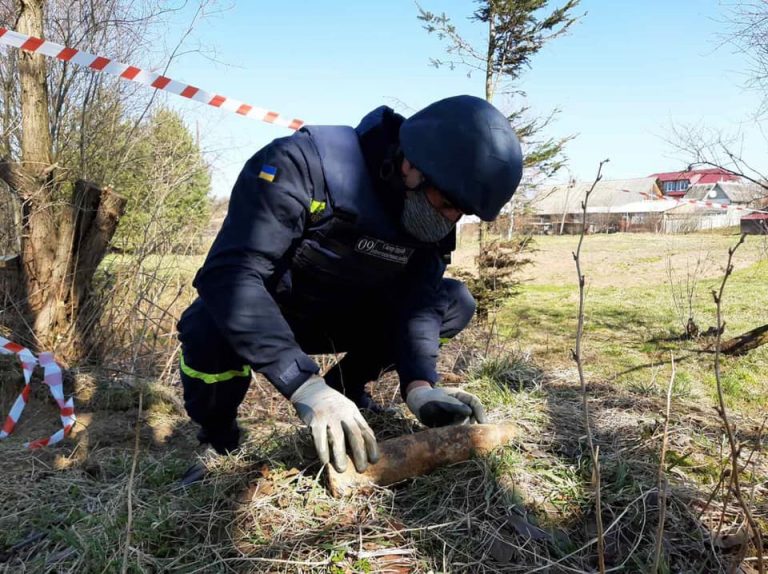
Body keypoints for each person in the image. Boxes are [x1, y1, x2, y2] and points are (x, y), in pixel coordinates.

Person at [177, 94, 523, 475]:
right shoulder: (302, 164)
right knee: (208, 323)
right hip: (273, 311)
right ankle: (218, 439)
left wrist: (419, 383)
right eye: (447, 203)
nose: (450, 218)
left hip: (345, 314)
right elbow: (231, 275)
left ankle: (347, 390)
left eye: (463, 212)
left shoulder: (435, 213)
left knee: (455, 300)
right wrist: (302, 385)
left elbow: (418, 301)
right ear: (411, 163)